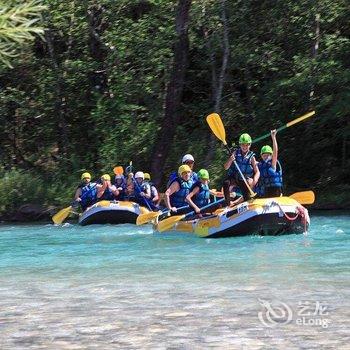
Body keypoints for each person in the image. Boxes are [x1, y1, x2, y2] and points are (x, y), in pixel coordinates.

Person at [223, 133, 260, 204]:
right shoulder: (235, 153)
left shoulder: (252, 157)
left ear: (250, 145)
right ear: (240, 145)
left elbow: (257, 172)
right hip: (236, 178)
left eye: (247, 145)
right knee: (226, 183)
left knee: (247, 192)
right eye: (243, 144)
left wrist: (254, 181)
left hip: (245, 180)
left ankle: (246, 202)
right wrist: (230, 159)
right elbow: (226, 167)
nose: (245, 147)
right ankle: (228, 204)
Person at [256, 129, 283, 198]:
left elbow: (275, 151)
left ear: (271, 155)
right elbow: (251, 161)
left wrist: (273, 137)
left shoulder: (273, 163)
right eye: (264, 155)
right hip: (267, 190)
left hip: (276, 189)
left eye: (268, 155)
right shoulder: (260, 165)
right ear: (261, 156)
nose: (266, 157)